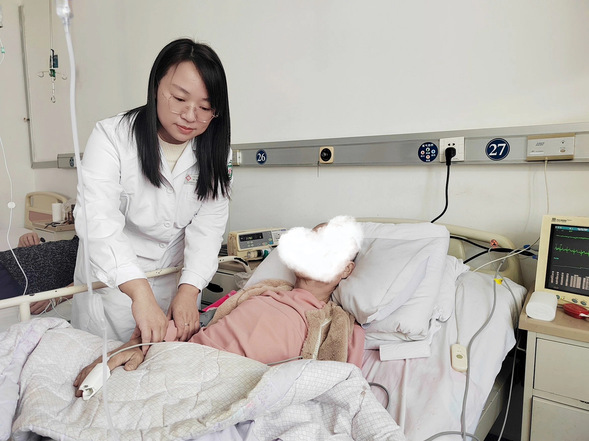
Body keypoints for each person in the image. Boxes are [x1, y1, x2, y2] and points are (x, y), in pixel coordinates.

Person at [74, 216, 366, 394]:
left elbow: (338, 382)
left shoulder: (339, 326)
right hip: (181, 361)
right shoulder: (258, 293)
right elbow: (198, 323)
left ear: (347, 270)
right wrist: (139, 345)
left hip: (235, 384)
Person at [71, 38, 232, 348]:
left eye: (205, 107)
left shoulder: (215, 151)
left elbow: (209, 227)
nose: (190, 115)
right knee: (104, 365)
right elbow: (97, 219)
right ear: (157, 86)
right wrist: (140, 293)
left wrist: (190, 289)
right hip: (114, 286)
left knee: (162, 366)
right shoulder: (112, 137)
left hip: (174, 284)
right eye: (179, 98)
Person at [0, 232, 77, 313]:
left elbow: (85, 280)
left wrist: (56, 297)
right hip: (11, 263)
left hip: (23, 280)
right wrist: (23, 247)